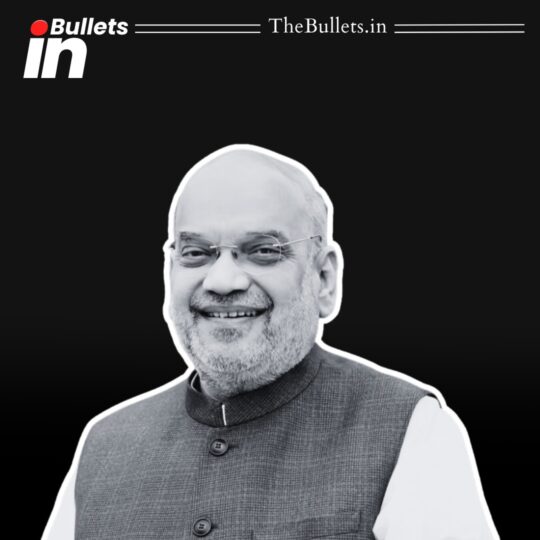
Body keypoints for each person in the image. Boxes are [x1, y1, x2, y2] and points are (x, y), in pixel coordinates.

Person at [43, 144, 499, 540]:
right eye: (196, 253)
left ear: (324, 278)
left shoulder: (411, 430)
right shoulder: (103, 447)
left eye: (263, 251)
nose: (222, 281)